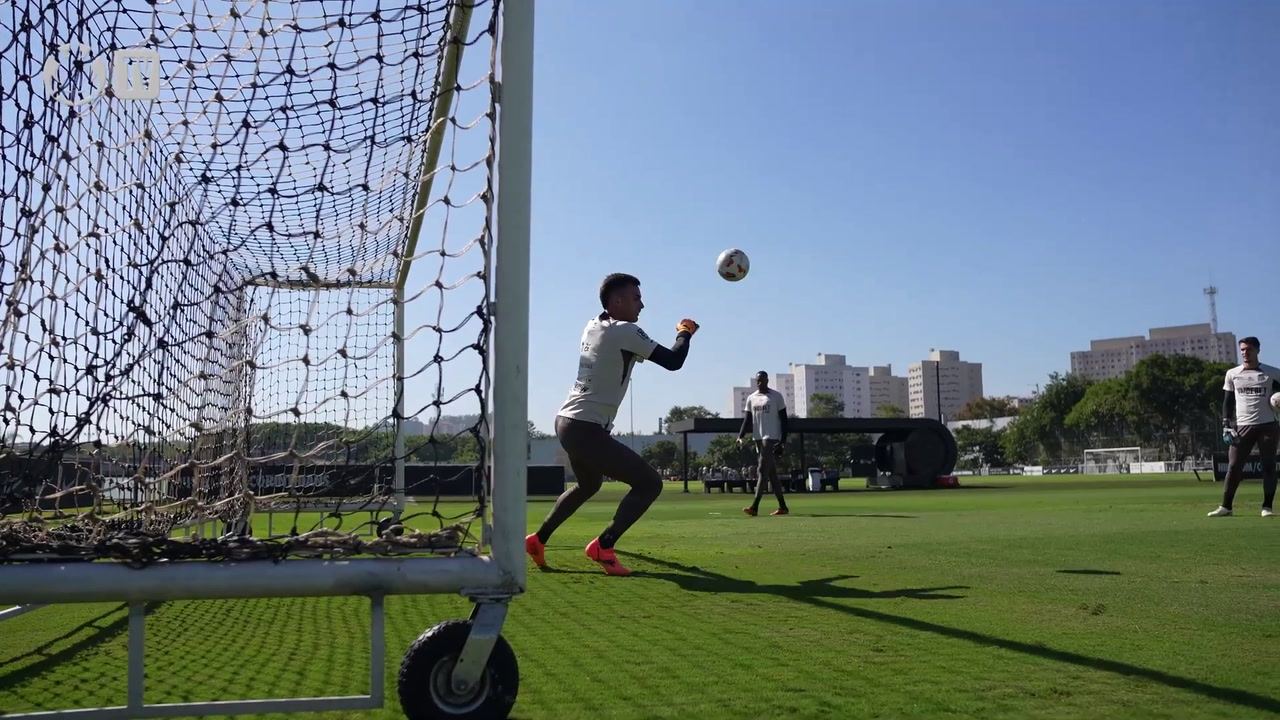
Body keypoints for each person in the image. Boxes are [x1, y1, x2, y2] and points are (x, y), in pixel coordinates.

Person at [525, 273, 699, 575]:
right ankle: (604, 546)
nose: (642, 305)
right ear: (616, 301)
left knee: (588, 485)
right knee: (649, 483)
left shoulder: (594, 324)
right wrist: (684, 332)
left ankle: (538, 540)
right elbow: (673, 361)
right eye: (636, 298)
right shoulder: (626, 331)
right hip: (584, 427)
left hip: (568, 420)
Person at [1209, 336, 1279, 518]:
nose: (1245, 353)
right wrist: (1226, 423)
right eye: (1242, 350)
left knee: (1269, 466)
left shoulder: (1271, 372)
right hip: (1242, 426)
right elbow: (1227, 401)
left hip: (1267, 425)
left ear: (1257, 350)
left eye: (1248, 349)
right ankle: (1226, 507)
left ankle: (1267, 507)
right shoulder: (1232, 374)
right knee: (1233, 466)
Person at [736, 371, 790, 516]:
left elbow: (784, 420)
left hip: (771, 437)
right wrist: (740, 436)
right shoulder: (751, 398)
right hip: (758, 438)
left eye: (762, 380)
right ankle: (783, 506)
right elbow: (747, 420)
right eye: (758, 381)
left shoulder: (776, 396)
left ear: (767, 380)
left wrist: (782, 441)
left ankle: (754, 506)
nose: (760, 383)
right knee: (771, 473)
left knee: (761, 469)